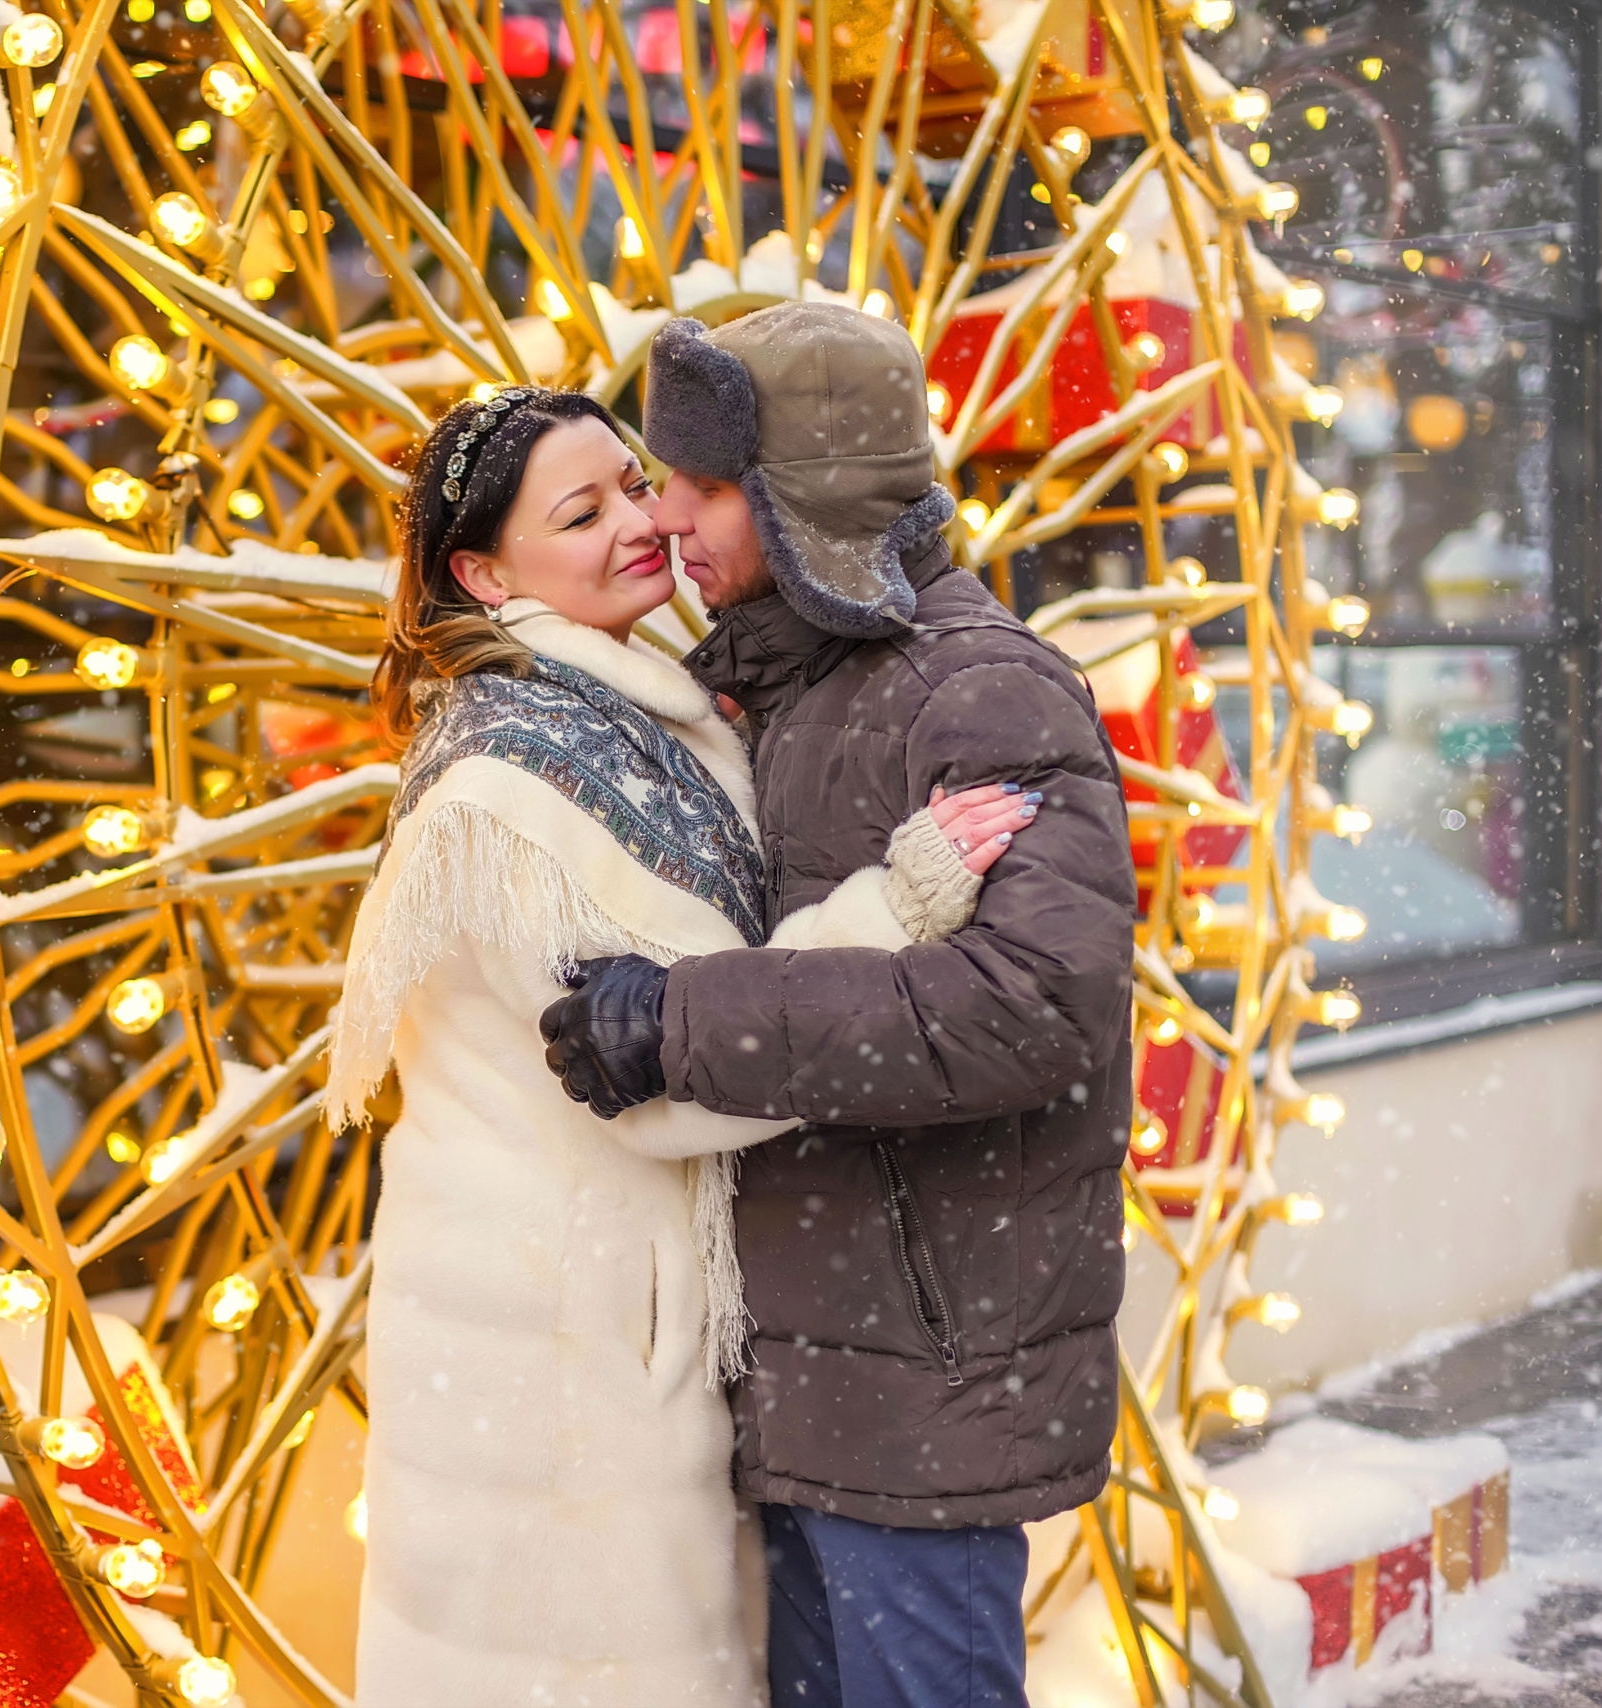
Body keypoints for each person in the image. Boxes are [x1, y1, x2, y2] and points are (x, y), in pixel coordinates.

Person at [333, 384, 1039, 1708]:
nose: (639, 523)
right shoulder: (515, 784)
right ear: (483, 572)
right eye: (581, 511)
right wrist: (903, 900)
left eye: (637, 484)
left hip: (618, 1320)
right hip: (560, 1361)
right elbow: (659, 1079)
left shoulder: (633, 717)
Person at [537, 302, 1137, 1708]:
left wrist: (684, 1023)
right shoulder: (791, 686)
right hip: (821, 1370)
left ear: (802, 498)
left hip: (925, 1374)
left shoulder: (976, 688)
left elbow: (1032, 1005)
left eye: (705, 483)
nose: (667, 514)